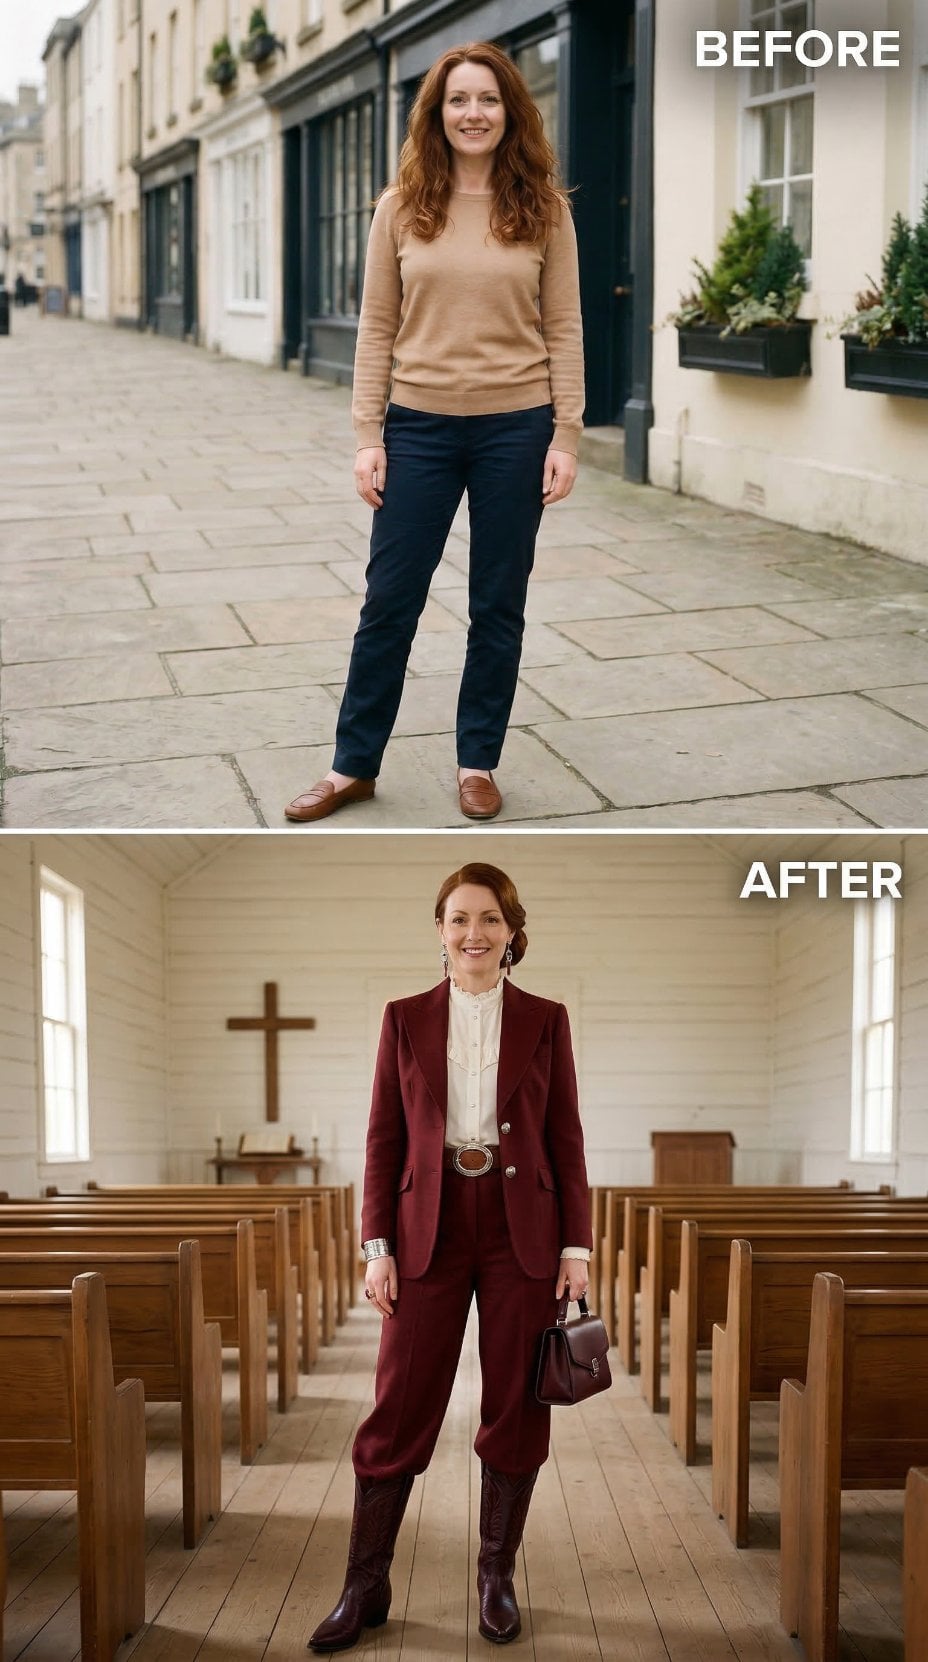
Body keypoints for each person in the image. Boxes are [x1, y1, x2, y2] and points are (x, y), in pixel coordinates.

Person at [285, 41, 584, 827]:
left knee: (497, 603)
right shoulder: (401, 206)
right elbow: (376, 328)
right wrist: (367, 433)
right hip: (415, 428)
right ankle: (353, 765)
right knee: (390, 601)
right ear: (437, 113)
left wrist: (567, 435)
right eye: (457, 100)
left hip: (515, 430)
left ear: (510, 111)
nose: (473, 113)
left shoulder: (545, 209)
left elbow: (565, 326)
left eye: (487, 99)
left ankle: (477, 761)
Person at [308, 862, 592, 1653]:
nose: (475, 933)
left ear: (512, 932)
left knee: (515, 1403)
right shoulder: (403, 1018)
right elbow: (381, 1138)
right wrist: (376, 1248)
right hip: (424, 1228)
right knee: (399, 1404)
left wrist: (578, 1245)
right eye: (461, 918)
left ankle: (495, 1577)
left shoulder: (547, 1018)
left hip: (520, 1232)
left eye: (491, 919)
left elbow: (565, 1135)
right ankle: (364, 1584)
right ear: (440, 930)